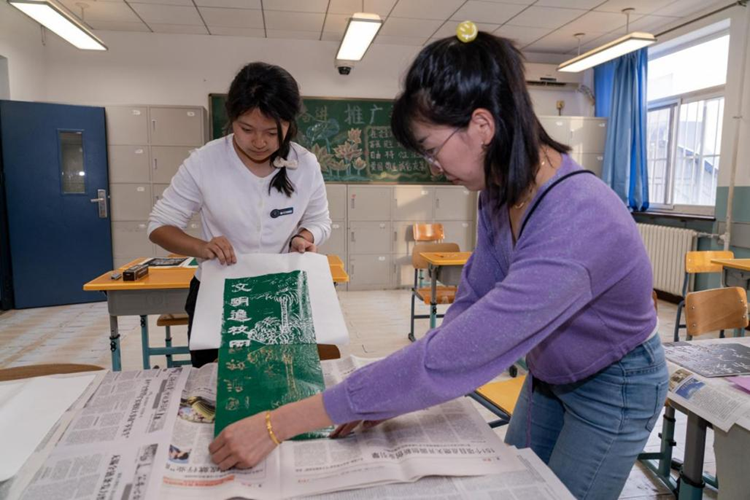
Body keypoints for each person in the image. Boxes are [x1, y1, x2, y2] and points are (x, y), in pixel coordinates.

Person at [208, 29, 668, 499]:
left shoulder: (578, 218)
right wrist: (389, 396)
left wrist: (277, 423)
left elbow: (465, 351)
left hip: (612, 384)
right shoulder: (499, 191)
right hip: (550, 374)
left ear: (482, 126)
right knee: (521, 487)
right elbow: (471, 303)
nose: (432, 167)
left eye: (431, 149)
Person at [149, 62, 331, 367]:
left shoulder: (305, 164)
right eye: (247, 129)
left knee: (282, 380)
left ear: (289, 124)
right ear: (231, 119)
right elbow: (159, 226)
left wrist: (304, 236)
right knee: (214, 385)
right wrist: (201, 247)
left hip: (281, 295)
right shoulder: (205, 162)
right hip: (217, 294)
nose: (259, 142)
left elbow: (320, 220)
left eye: (271, 132)